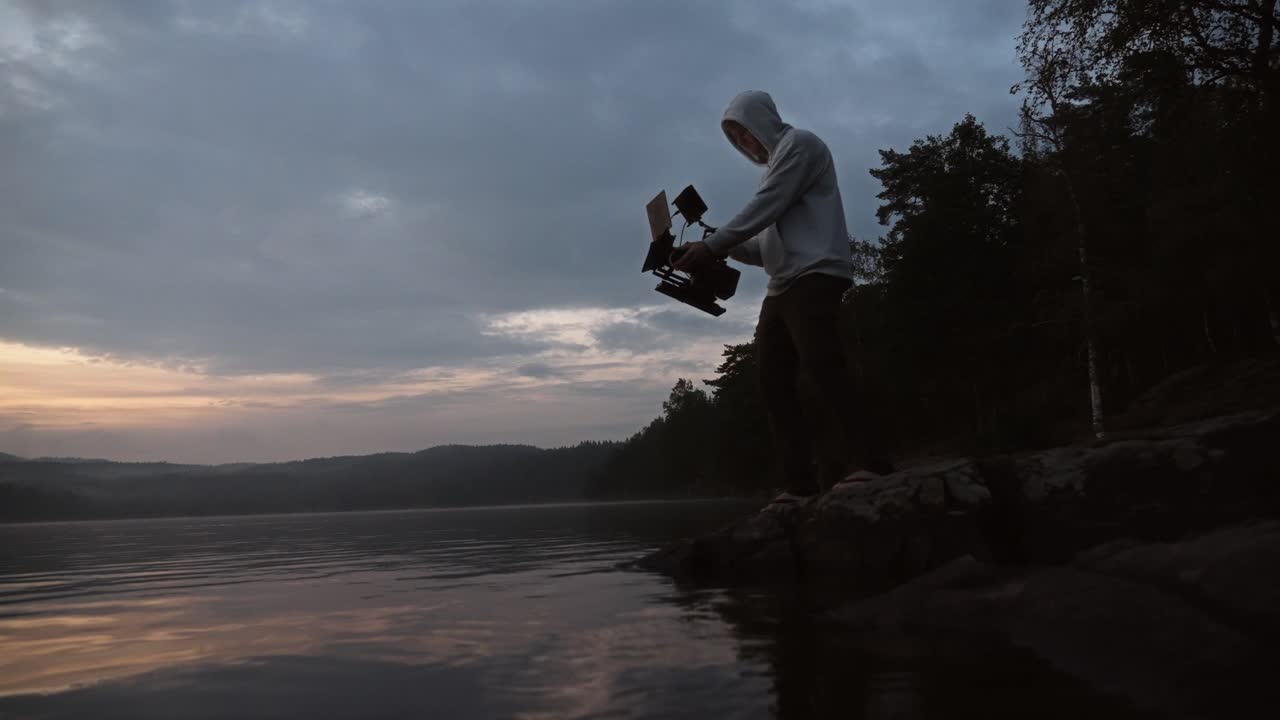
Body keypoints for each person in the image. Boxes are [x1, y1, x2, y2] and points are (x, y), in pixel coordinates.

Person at [673, 90, 893, 502]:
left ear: (762, 121)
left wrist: (714, 244)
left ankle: (873, 462)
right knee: (773, 381)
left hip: (817, 273)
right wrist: (713, 245)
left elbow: (767, 205)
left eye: (744, 132)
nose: (743, 143)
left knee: (823, 365)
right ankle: (800, 484)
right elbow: (764, 248)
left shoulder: (801, 146)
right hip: (783, 284)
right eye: (735, 139)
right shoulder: (775, 171)